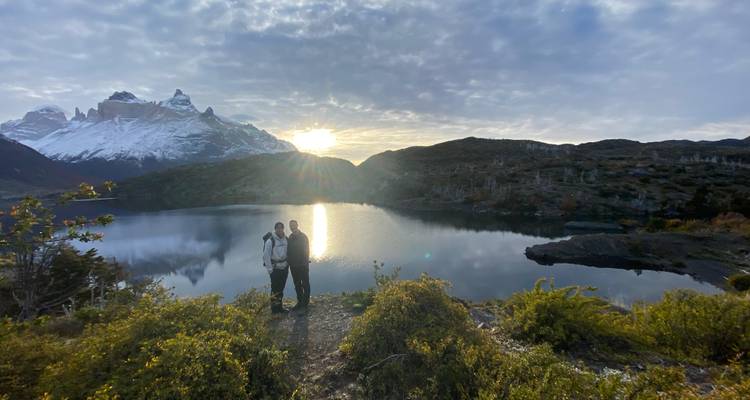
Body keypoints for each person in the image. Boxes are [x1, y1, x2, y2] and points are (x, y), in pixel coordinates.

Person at [263, 221, 289, 313]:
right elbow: (266, 256)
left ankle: (280, 307)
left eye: (281, 228)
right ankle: (274, 309)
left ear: (283, 229)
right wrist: (270, 270)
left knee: (281, 288)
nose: (279, 230)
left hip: (284, 268)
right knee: (275, 289)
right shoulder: (270, 241)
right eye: (278, 228)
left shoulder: (286, 239)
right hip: (275, 269)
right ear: (275, 229)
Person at [287, 220, 310, 310]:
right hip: (293, 266)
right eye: (290, 226)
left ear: (297, 225)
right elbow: (288, 251)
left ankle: (305, 303)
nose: (292, 227)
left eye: (293, 225)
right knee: (297, 284)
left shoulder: (303, 237)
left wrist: (305, 263)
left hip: (303, 265)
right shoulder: (290, 237)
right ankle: (300, 301)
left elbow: (307, 251)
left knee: (305, 284)